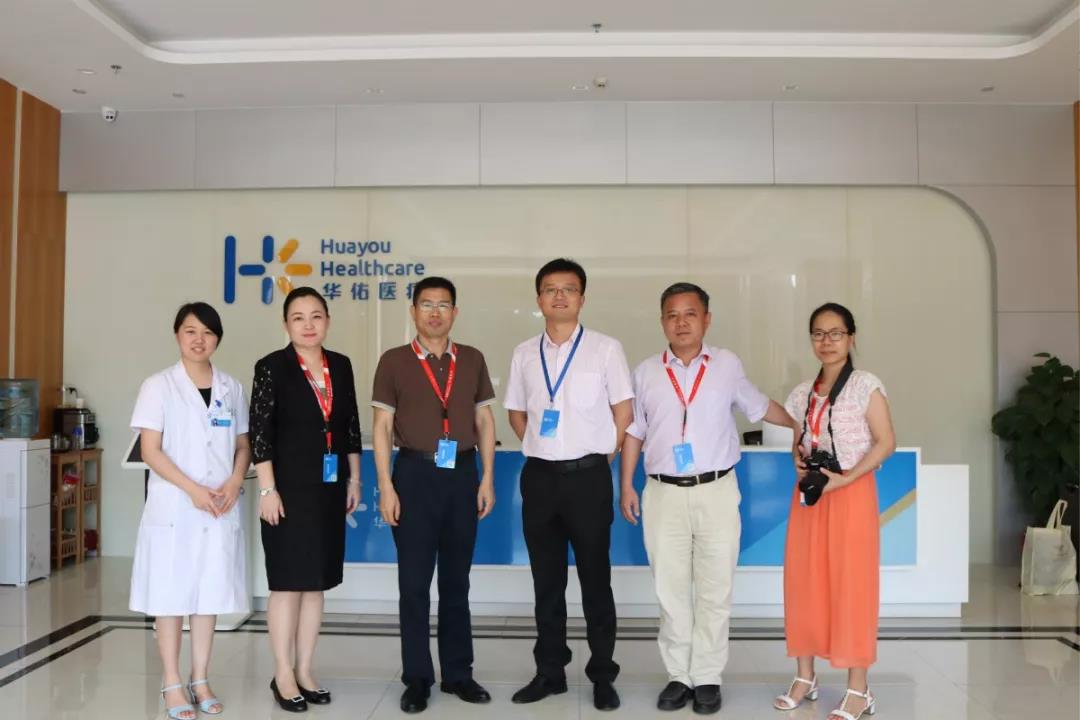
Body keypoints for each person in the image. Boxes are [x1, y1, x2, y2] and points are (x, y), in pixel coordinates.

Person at [619, 283, 799, 715]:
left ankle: (707, 677)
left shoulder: (726, 365)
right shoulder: (645, 372)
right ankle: (678, 675)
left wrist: (800, 425)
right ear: (662, 321)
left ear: (706, 319)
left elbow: (758, 406)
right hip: (663, 492)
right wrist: (626, 485)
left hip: (716, 490)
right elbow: (634, 432)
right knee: (670, 589)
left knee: (715, 588)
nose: (681, 322)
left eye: (690, 313)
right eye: (672, 315)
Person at [504, 258, 633, 711]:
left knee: (596, 580)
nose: (559, 296)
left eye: (569, 289)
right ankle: (550, 672)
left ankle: (602, 674)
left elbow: (623, 411)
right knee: (547, 582)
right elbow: (516, 412)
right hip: (540, 478)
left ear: (582, 298)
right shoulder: (524, 353)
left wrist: (600, 454)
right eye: (550, 289)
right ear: (538, 298)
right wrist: (544, 447)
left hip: (588, 478)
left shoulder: (605, 349)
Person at [372, 276, 498, 714]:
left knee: (456, 582)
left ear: (455, 312)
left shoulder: (473, 359)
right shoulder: (394, 361)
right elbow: (382, 427)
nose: (435, 313)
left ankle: (459, 674)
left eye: (444, 305)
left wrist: (487, 478)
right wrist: (386, 486)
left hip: (462, 475)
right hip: (413, 476)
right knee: (413, 585)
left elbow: (484, 421)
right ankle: (417, 678)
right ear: (413, 311)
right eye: (426, 304)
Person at [772, 302, 895, 720]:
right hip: (811, 496)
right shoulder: (802, 392)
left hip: (851, 492)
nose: (826, 342)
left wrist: (847, 478)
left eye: (835, 333)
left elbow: (886, 441)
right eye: (819, 334)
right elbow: (799, 441)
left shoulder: (864, 385)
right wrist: (798, 461)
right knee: (803, 582)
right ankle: (805, 676)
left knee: (852, 585)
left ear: (851, 338)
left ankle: (859, 689)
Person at [130, 302, 251, 720]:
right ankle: (172, 681)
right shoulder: (158, 385)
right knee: (170, 594)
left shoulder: (232, 387)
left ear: (218, 338)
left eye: (207, 332)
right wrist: (193, 490)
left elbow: (242, 444)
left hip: (218, 504)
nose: (199, 339)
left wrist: (235, 480)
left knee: (208, 593)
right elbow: (150, 450)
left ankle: (200, 678)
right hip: (175, 505)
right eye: (190, 331)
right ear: (177, 335)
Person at [250, 286, 362, 713]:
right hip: (286, 491)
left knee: (315, 583)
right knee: (286, 583)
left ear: (327, 321)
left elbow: (349, 426)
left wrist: (354, 479)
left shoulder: (341, 365)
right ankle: (282, 673)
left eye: (316, 316)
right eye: (298, 317)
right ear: (286, 324)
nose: (308, 325)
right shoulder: (271, 367)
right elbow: (260, 433)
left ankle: (305, 669)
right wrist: (267, 489)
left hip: (329, 489)